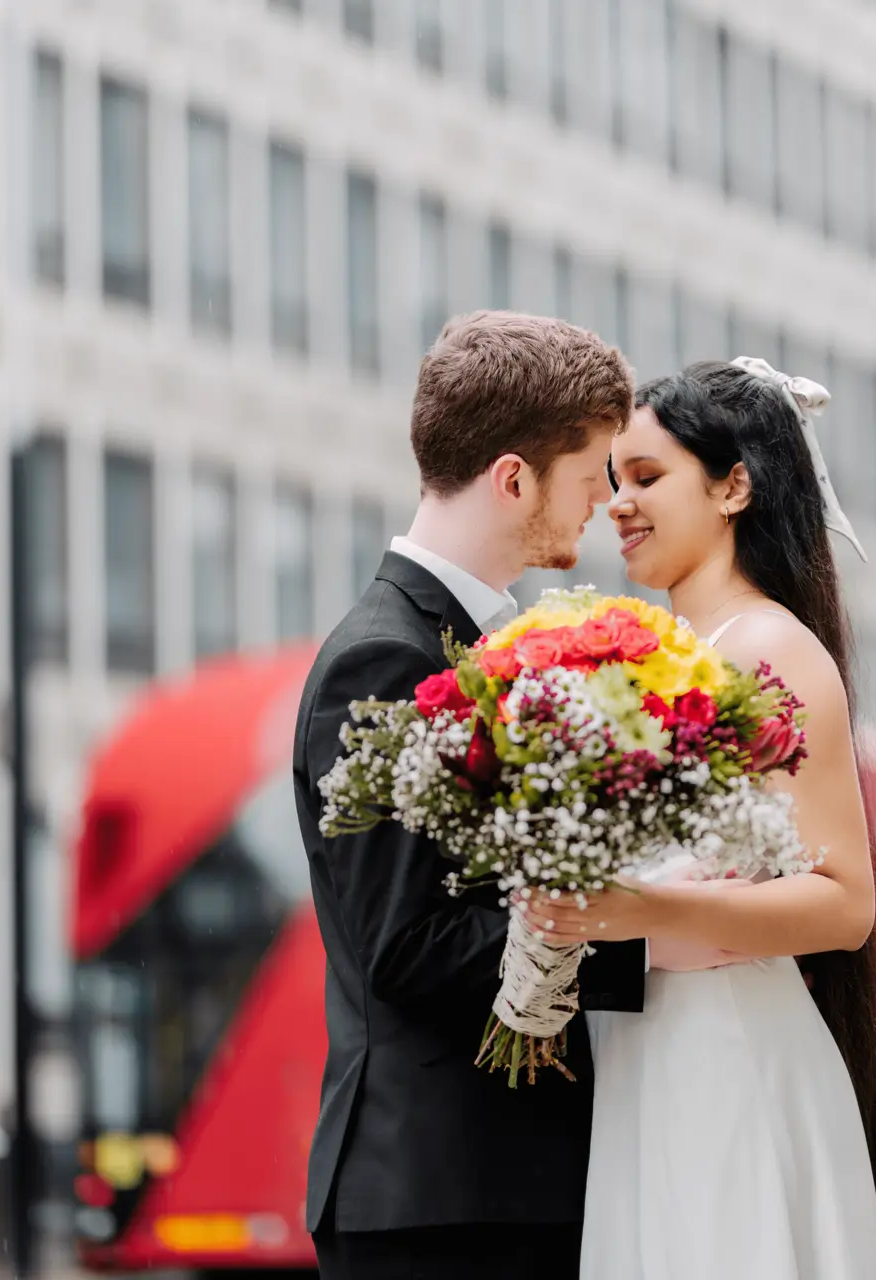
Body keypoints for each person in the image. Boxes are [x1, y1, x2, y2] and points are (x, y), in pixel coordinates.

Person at [523, 358, 876, 1280]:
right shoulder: (666, 657)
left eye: (649, 477)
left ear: (734, 484)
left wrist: (646, 913)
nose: (619, 504)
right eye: (615, 480)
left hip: (729, 1062)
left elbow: (842, 903)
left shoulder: (770, 647)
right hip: (652, 1058)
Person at [292, 311, 650, 1280]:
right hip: (436, 1198)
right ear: (512, 477)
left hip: (491, 1186)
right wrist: (644, 937)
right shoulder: (384, 656)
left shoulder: (495, 645)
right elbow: (405, 945)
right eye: (591, 476)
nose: (601, 505)